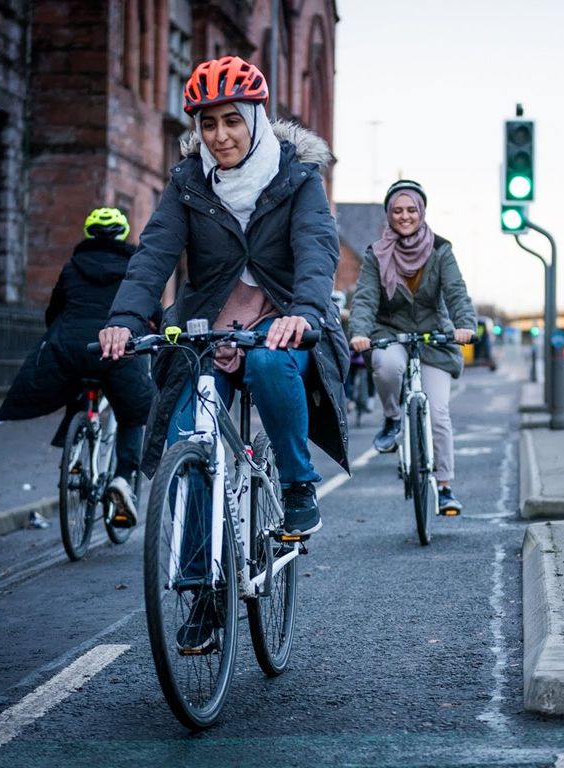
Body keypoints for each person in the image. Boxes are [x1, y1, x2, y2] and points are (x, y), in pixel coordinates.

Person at [98, 55, 349, 542]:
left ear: (254, 118)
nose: (220, 135)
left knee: (270, 365)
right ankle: (198, 586)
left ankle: (298, 484)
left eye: (232, 120)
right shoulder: (188, 182)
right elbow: (153, 254)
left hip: (281, 320)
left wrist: (304, 312)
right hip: (208, 328)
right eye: (208, 123)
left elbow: (317, 249)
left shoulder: (297, 179)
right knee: (186, 443)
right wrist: (124, 318)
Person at [0, 207, 156, 528]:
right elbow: (152, 309)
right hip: (117, 351)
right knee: (134, 413)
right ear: (123, 234)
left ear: (89, 233)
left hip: (72, 350)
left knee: (79, 382)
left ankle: (76, 449)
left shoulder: (72, 268)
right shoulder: (133, 268)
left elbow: (54, 311)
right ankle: (123, 480)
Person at [348, 179, 475, 514]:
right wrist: (360, 332)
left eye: (411, 210)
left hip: (434, 336)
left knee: (439, 413)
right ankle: (392, 419)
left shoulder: (441, 251)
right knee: (387, 365)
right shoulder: (376, 255)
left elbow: (456, 292)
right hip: (391, 331)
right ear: (389, 215)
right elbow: (364, 299)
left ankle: (445, 487)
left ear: (421, 213)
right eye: (398, 210)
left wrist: (465, 326)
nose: (405, 216)